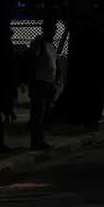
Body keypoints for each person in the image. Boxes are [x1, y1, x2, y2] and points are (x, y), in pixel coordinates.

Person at [26, 20, 58, 150]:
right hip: (39, 82)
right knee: (38, 112)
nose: (53, 32)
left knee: (44, 112)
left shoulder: (51, 46)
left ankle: (40, 138)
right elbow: (31, 60)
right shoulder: (39, 45)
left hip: (48, 82)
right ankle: (36, 140)